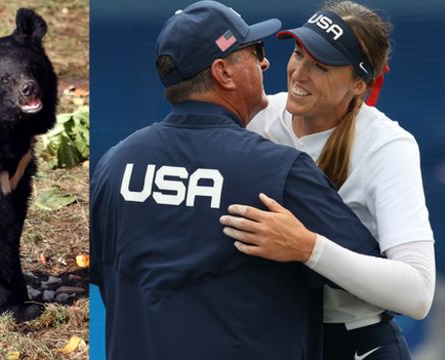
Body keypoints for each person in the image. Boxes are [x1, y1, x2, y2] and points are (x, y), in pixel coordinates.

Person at [90, 1, 381, 359]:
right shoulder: (279, 170)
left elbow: (105, 279)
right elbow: (369, 282)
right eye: (255, 51)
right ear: (223, 73)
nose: (265, 62)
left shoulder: (114, 165)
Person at [219, 2, 436, 359]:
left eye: (320, 65)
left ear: (358, 83)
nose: (299, 73)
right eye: (297, 53)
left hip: (357, 342)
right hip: (271, 337)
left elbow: (418, 293)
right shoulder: (258, 117)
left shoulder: (387, 146)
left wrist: (308, 247)